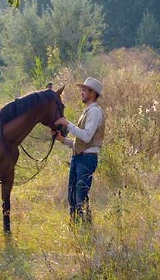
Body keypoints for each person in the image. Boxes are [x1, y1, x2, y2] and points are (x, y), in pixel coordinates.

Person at [53, 77, 105, 224]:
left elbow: (87, 137)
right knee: (73, 195)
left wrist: (66, 123)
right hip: (79, 157)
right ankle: (80, 226)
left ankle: (81, 227)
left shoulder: (94, 112)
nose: (81, 92)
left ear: (93, 93)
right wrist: (62, 140)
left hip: (87, 159)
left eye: (84, 90)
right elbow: (80, 142)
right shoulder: (88, 111)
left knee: (79, 195)